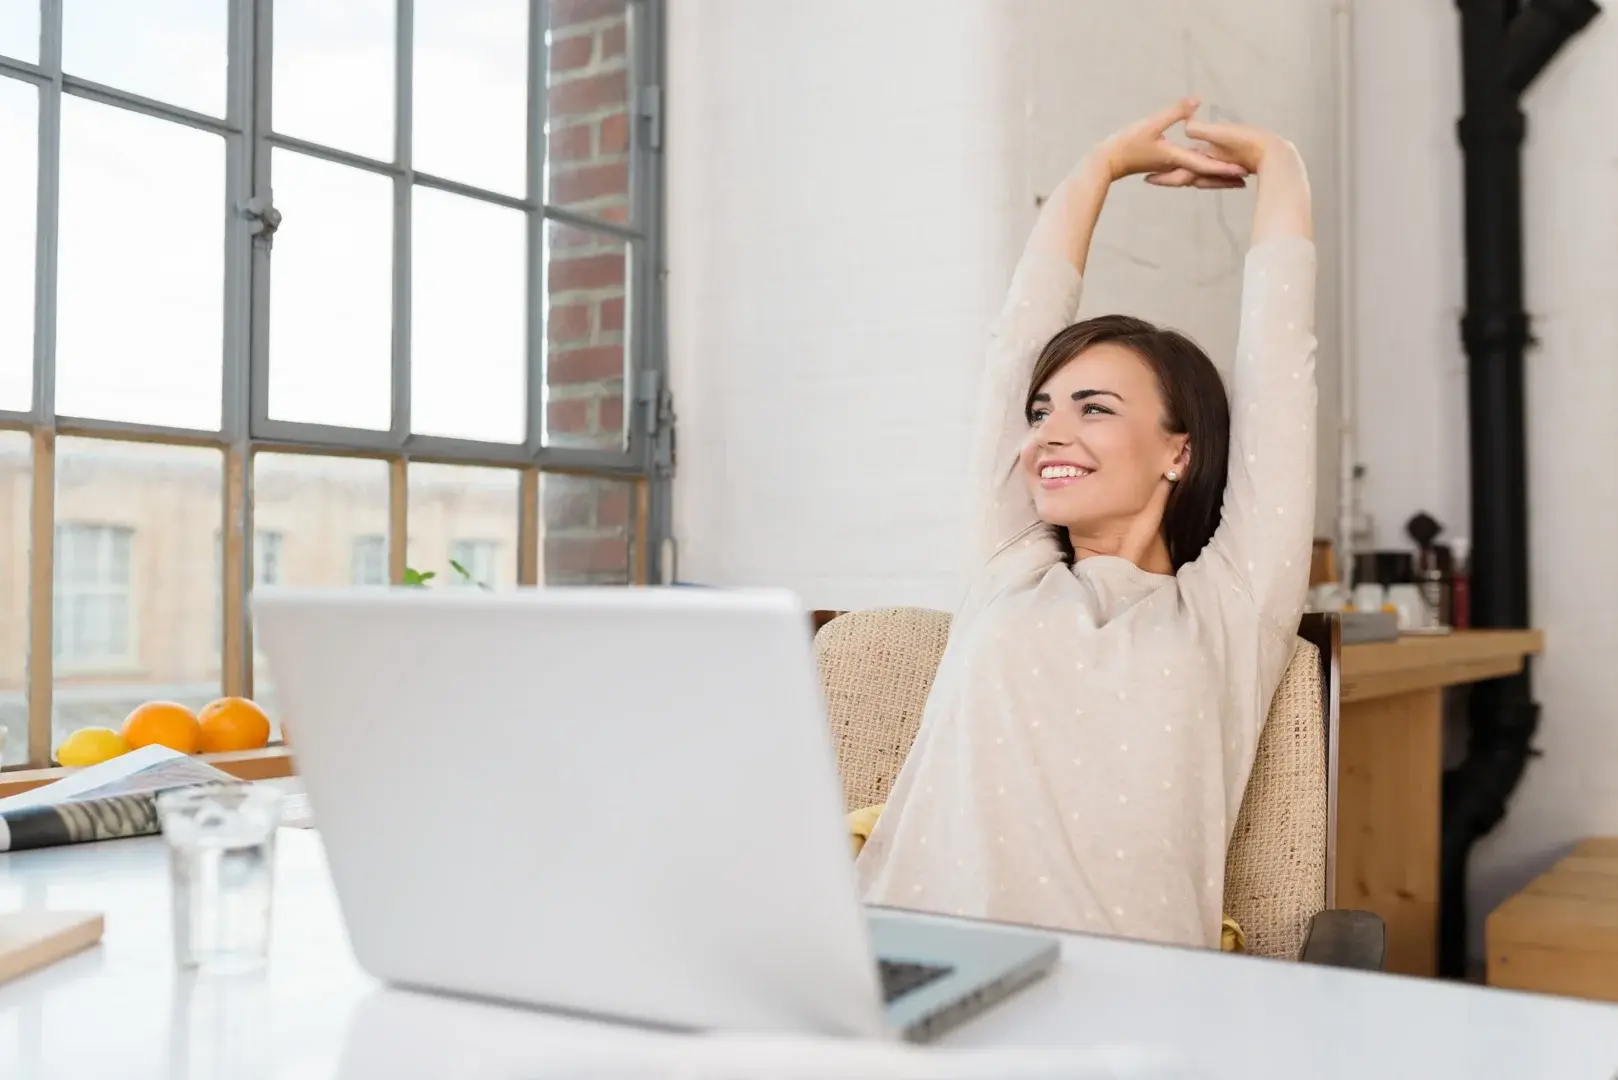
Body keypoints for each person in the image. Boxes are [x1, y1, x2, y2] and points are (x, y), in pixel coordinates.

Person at [853, 98, 1317, 950]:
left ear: (1179, 450)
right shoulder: (1008, 565)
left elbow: (1281, 379)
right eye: (1041, 412)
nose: (1048, 435)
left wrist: (1280, 167)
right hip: (911, 963)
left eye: (1093, 408)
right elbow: (1012, 349)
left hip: (1128, 1001)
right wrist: (1096, 169)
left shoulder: (1229, 610)